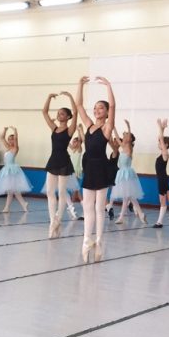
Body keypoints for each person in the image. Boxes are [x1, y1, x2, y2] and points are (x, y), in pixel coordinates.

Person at [76, 75, 116, 262]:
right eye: (96, 107)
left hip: (102, 168)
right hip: (89, 168)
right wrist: (80, 85)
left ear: (106, 112)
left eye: (101, 108)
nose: (97, 110)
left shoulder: (107, 128)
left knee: (100, 208)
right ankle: (86, 241)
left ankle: (99, 241)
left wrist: (108, 86)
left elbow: (114, 107)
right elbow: (79, 106)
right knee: (87, 207)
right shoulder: (89, 126)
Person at [42, 91, 78, 238]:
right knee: (50, 192)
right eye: (58, 113)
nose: (59, 115)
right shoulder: (54, 128)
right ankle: (53, 221)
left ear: (68, 117)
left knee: (62, 193)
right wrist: (49, 97)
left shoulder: (70, 129)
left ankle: (58, 220)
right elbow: (44, 112)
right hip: (53, 160)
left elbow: (76, 112)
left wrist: (70, 97)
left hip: (64, 161)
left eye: (62, 113)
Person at [111, 120, 147, 224]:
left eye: (126, 135)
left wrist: (129, 126)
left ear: (130, 139)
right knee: (128, 196)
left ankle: (124, 216)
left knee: (127, 196)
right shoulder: (123, 146)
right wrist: (113, 127)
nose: (124, 136)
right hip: (122, 173)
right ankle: (139, 214)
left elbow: (127, 138)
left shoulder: (129, 147)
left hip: (127, 174)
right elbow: (117, 137)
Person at [0, 127, 31, 213]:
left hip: (12, 170)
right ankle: (20, 205)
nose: (10, 141)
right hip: (7, 169)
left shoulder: (15, 148)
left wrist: (15, 131)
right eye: (9, 139)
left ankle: (11, 207)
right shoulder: (8, 147)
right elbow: (2, 138)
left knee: (12, 190)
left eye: (12, 139)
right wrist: (5, 130)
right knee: (12, 190)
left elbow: (16, 139)